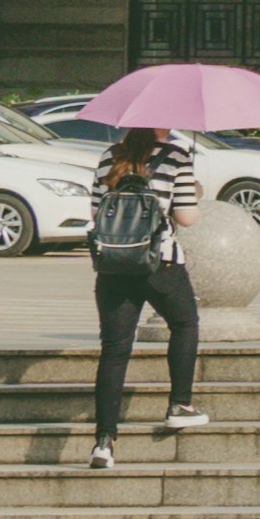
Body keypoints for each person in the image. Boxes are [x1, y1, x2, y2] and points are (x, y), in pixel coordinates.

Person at [82, 128, 198, 469]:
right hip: (159, 264)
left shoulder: (110, 157)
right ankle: (179, 404)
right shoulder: (177, 157)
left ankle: (104, 442)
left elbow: (95, 213)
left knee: (115, 351)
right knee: (185, 324)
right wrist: (192, 193)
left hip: (113, 266)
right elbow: (187, 218)